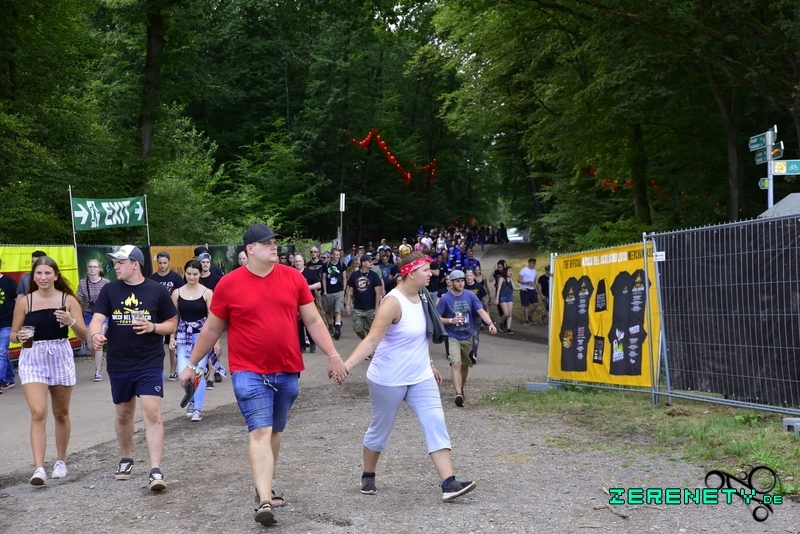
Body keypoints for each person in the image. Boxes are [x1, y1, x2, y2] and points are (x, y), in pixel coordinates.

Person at [179, 224, 347, 526]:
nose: (274, 247)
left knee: (274, 431)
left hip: (287, 368)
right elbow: (212, 328)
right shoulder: (229, 284)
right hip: (248, 370)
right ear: (250, 249)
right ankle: (265, 501)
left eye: (274, 242)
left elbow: (313, 320)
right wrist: (192, 364)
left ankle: (263, 485)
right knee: (260, 430)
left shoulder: (293, 278)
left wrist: (333, 356)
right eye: (266, 243)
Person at [341, 252, 477, 502]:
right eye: (425, 270)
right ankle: (368, 474)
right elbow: (371, 340)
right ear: (410, 273)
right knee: (381, 429)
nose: (431, 274)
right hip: (388, 378)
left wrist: (430, 364)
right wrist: (346, 366)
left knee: (435, 420)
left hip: (420, 376)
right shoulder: (392, 302)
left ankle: (448, 483)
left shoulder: (423, 296)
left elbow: (422, 336)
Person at [88, 245, 178, 491]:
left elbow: (172, 323)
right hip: (119, 362)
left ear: (135, 264)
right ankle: (126, 458)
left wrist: (153, 327)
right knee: (124, 414)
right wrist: (95, 335)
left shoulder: (156, 290)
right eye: (115, 262)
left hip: (149, 361)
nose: (116, 267)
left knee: (152, 413)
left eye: (120, 262)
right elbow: (97, 319)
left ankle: (155, 469)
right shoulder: (110, 290)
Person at [11, 256, 88, 484]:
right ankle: (39, 469)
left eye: (47, 273)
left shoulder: (68, 300)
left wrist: (71, 321)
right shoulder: (25, 301)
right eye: (39, 273)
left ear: (55, 275)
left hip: (60, 355)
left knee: (61, 413)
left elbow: (85, 335)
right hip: (33, 355)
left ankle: (60, 461)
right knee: (38, 412)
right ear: (33, 277)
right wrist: (19, 336)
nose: (43, 277)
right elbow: (13, 334)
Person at [169, 260, 220, 422]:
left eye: (195, 274)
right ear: (184, 273)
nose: (191, 277)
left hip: (201, 336)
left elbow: (212, 318)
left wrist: (215, 341)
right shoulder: (177, 293)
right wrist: (172, 337)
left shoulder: (207, 292)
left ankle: (197, 408)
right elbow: (174, 317)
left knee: (198, 372)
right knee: (183, 374)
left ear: (200, 274)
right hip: (183, 336)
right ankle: (191, 399)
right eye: (189, 274)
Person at [437, 270, 497, 406]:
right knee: (455, 363)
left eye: (462, 281)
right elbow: (438, 318)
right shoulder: (445, 298)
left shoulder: (470, 295)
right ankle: (458, 393)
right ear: (452, 282)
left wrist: (490, 323)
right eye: (458, 281)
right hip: (452, 335)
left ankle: (461, 388)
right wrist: (451, 320)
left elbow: (481, 310)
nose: (461, 283)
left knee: (464, 366)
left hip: (467, 335)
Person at [149, 252, 185, 380]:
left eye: (165, 263)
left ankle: (173, 370)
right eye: (160, 263)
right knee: (157, 343)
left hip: (172, 313)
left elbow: (182, 294)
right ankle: (157, 369)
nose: (162, 265)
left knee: (172, 342)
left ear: (169, 262)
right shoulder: (152, 278)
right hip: (157, 315)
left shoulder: (176, 278)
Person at [77, 258, 111, 381]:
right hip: (89, 314)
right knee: (90, 345)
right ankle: (98, 358)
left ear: (99, 269)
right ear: (87, 269)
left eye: (95, 267)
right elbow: (78, 299)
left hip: (102, 314)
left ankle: (98, 371)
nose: (92, 269)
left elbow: (110, 299)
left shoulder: (106, 283)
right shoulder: (82, 283)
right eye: (90, 267)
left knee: (98, 341)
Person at [345, 254, 382, 340]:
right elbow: (350, 291)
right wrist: (347, 305)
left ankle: (368, 345)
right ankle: (365, 340)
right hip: (358, 308)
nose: (371, 263)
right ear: (363, 263)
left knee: (370, 330)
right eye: (369, 261)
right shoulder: (354, 275)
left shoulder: (374, 275)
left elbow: (378, 293)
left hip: (371, 308)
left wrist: (377, 308)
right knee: (357, 329)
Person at [293, 253, 321, 353]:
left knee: (309, 324)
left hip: (308, 303)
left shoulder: (309, 272)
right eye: (296, 261)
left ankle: (312, 343)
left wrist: (306, 288)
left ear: (303, 262)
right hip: (295, 304)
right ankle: (302, 345)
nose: (298, 263)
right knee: (298, 326)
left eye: (299, 261)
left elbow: (318, 284)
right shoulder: (291, 273)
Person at [0, 258, 18, 392]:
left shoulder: (8, 281)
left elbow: (17, 301)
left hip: (6, 322)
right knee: (2, 353)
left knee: (1, 351)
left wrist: (17, 320)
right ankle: (9, 378)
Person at [463, 269, 488, 364]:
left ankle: (473, 354)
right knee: (465, 335)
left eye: (470, 275)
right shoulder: (462, 287)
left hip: (476, 315)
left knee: (475, 336)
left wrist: (487, 314)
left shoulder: (479, 287)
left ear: (474, 276)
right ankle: (465, 353)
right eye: (467, 276)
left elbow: (484, 301)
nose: (469, 277)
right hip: (465, 315)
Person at [321, 248, 346, 339]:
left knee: (338, 311)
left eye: (339, 255)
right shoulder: (326, 265)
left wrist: (344, 289)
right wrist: (325, 291)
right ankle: (331, 326)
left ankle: (337, 329)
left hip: (339, 291)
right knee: (328, 310)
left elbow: (344, 277)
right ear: (332, 255)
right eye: (336, 255)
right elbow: (324, 278)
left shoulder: (342, 265)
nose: (338, 256)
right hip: (328, 292)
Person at [518, 258, 541, 326]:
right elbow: (519, 280)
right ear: (529, 263)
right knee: (526, 305)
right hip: (525, 289)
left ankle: (529, 315)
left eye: (534, 263)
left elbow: (534, 281)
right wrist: (527, 282)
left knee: (536, 303)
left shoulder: (534, 271)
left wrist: (536, 290)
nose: (533, 265)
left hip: (532, 289)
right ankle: (526, 320)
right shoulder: (524, 270)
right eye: (532, 263)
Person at [495, 266, 518, 334]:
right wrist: (497, 299)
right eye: (509, 271)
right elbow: (499, 289)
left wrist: (521, 288)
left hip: (510, 297)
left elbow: (514, 288)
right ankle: (501, 323)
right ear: (506, 271)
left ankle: (508, 328)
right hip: (503, 297)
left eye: (511, 271)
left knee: (510, 314)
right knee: (506, 313)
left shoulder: (510, 279)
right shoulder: (501, 278)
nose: (511, 272)